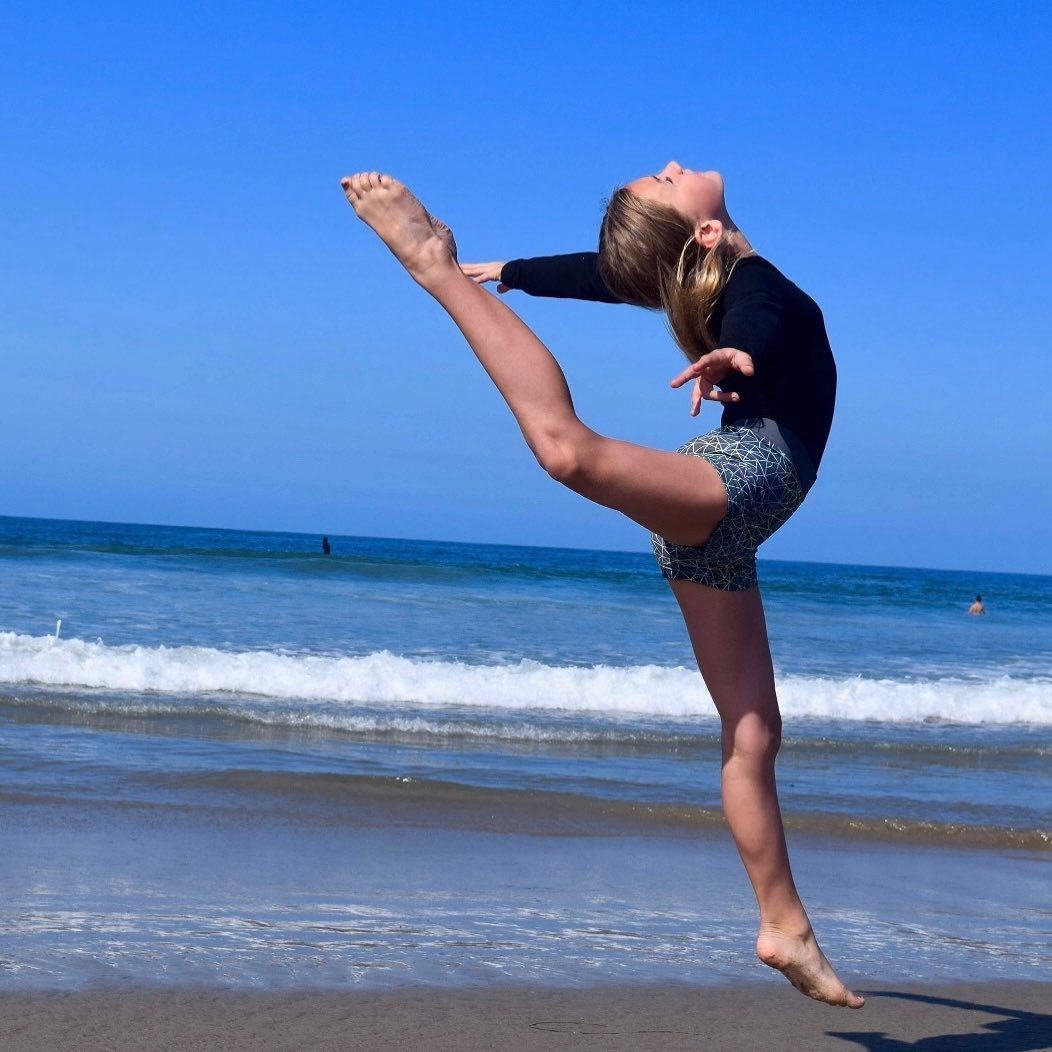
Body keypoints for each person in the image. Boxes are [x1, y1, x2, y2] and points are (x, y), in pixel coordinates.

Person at [340, 164, 862, 1009]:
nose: (673, 166)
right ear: (704, 233)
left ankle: (785, 927)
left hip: (725, 531)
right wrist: (737, 352)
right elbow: (759, 313)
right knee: (567, 452)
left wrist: (514, 271)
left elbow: (605, 276)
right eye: (667, 180)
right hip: (739, 480)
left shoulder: (702, 277)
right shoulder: (748, 281)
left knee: (753, 734)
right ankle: (431, 268)